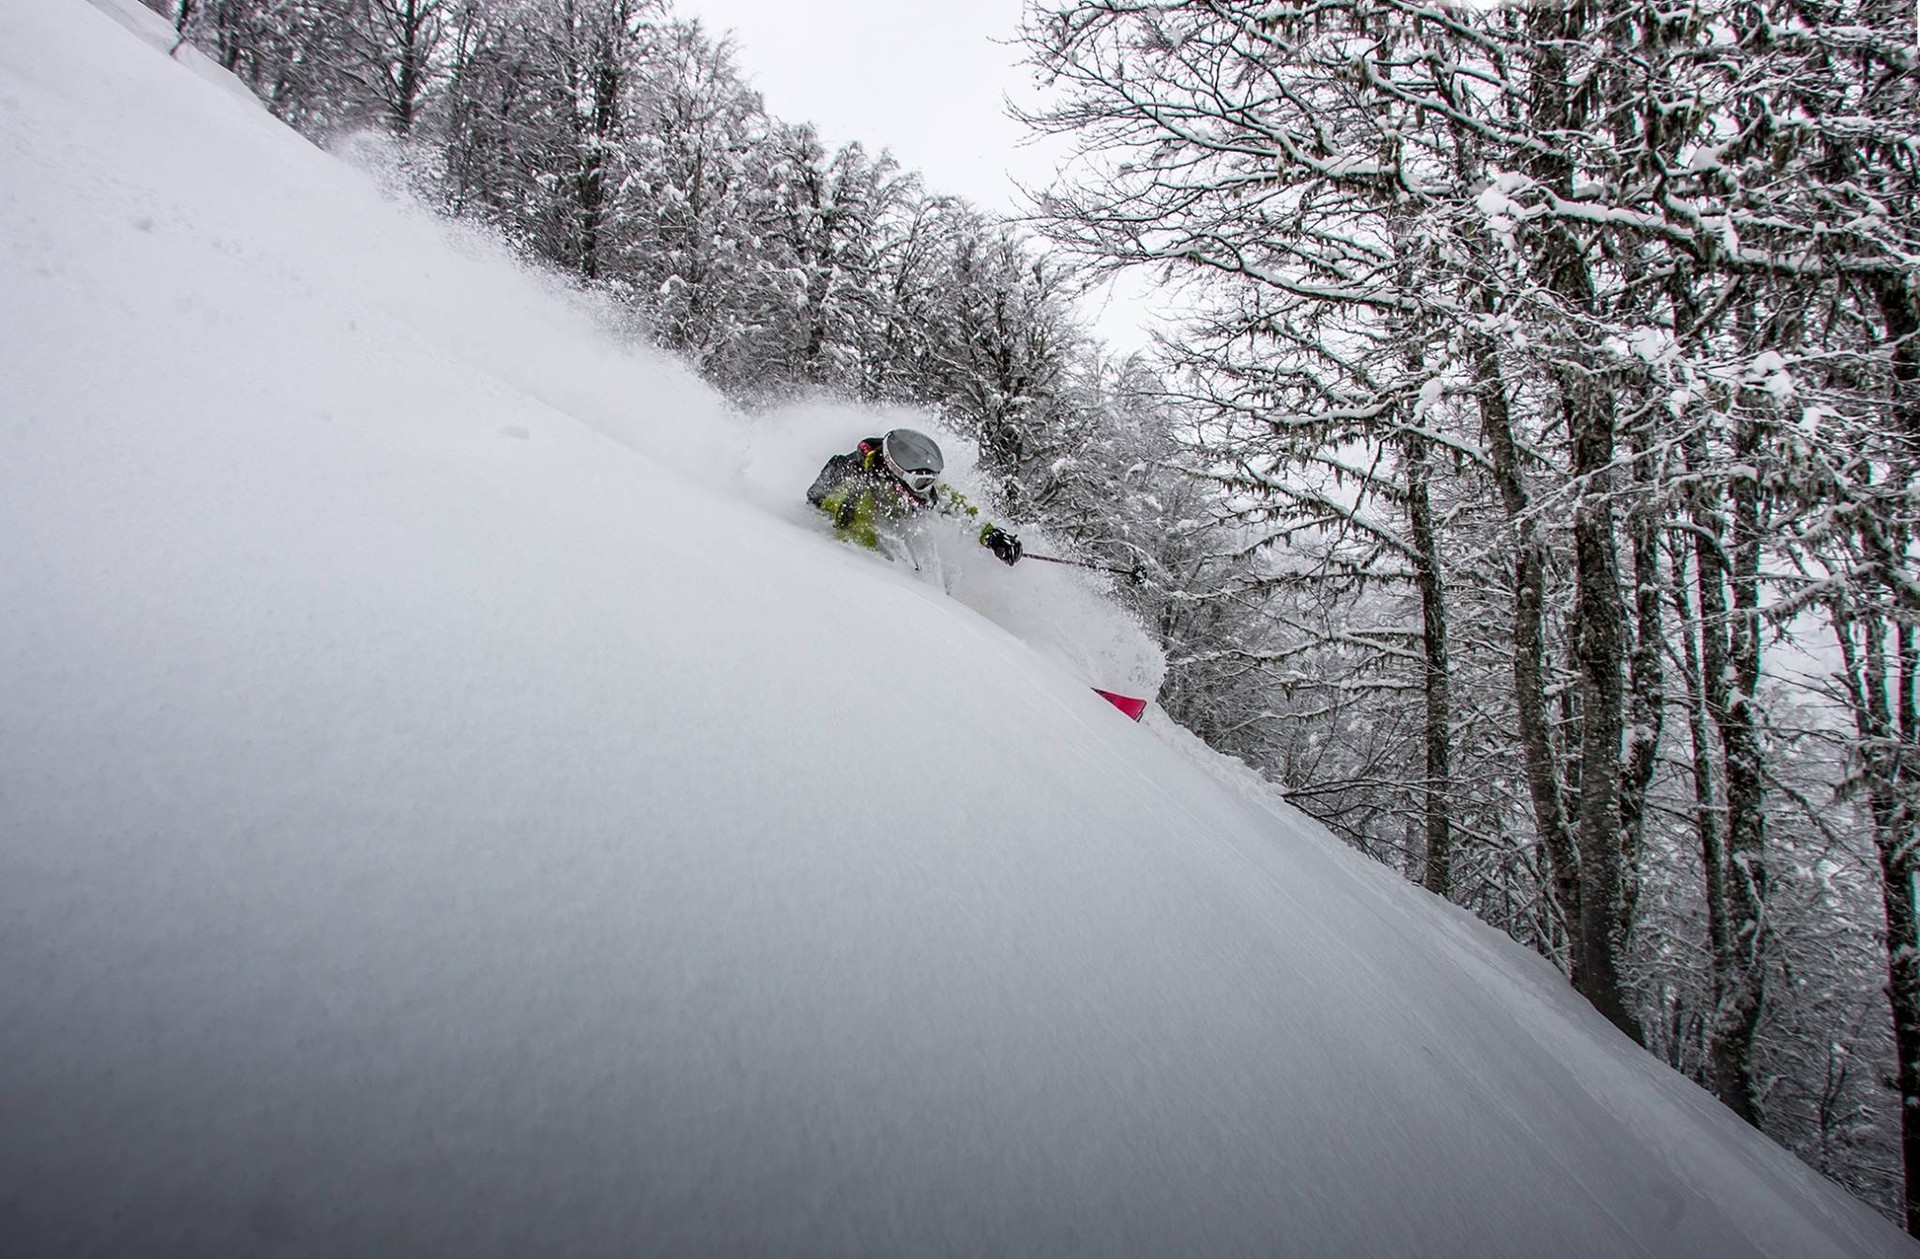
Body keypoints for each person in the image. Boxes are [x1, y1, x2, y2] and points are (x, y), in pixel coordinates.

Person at [806, 428, 1023, 565]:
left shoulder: (915, 488)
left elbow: (956, 506)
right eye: (921, 483)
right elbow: (863, 556)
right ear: (899, 477)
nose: (927, 490)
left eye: (931, 481)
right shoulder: (862, 497)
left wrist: (991, 535)